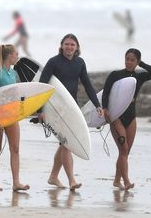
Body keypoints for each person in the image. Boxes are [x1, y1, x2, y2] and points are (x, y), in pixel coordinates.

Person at [37, 33, 103, 191]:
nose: (69, 47)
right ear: (61, 46)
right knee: (67, 143)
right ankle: (72, 180)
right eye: (66, 44)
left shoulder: (80, 63)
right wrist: (39, 110)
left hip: (71, 107)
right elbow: (42, 85)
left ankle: (53, 176)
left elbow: (87, 84)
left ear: (77, 47)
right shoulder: (53, 62)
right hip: (55, 108)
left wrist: (97, 105)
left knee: (64, 143)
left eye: (72, 45)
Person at [102, 48, 151, 191]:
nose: (129, 62)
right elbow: (106, 93)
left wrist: (141, 64)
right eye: (127, 58)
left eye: (132, 60)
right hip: (117, 115)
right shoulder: (115, 75)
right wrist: (105, 109)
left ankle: (116, 180)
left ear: (137, 61)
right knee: (124, 148)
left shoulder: (139, 77)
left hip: (131, 115)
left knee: (125, 152)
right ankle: (126, 181)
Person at [0, 44, 30, 192]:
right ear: (9, 55)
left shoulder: (13, 73)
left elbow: (14, 96)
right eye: (16, 54)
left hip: (11, 116)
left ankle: (16, 182)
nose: (18, 57)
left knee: (15, 149)